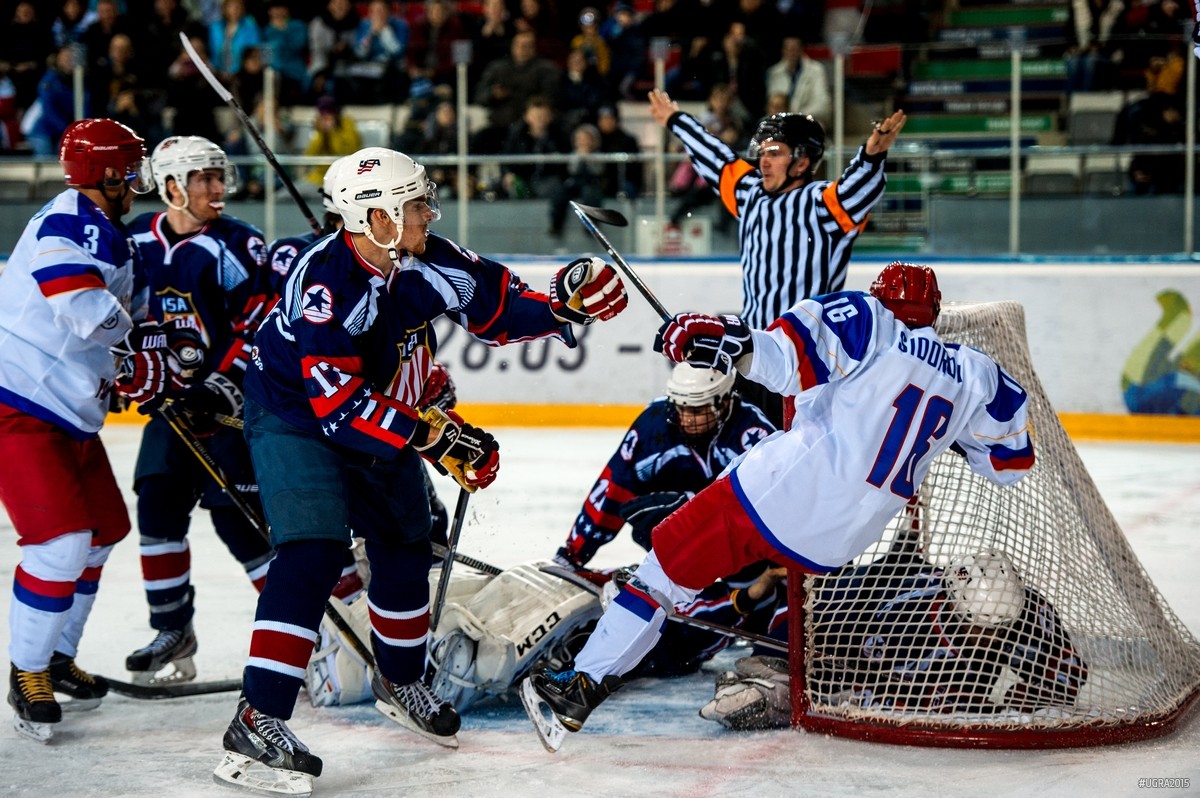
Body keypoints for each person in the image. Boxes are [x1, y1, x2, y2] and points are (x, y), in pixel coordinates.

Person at [212, 146, 629, 794]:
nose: (429, 212)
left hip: (370, 408)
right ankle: (256, 718)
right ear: (373, 217)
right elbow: (338, 408)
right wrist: (434, 436)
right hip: (296, 418)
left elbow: (495, 304)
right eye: (414, 204)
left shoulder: (425, 257)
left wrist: (563, 305)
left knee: (407, 544)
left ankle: (399, 679)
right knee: (312, 553)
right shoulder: (326, 287)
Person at [519, 262, 1037, 750]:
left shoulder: (867, 317)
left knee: (660, 574)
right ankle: (745, 638)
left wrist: (721, 338)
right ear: (934, 313)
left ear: (882, 298)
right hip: (845, 538)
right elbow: (1010, 463)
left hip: (783, 494)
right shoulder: (976, 373)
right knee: (745, 573)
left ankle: (582, 684)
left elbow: (778, 360)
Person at [0, 118, 160, 742]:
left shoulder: (113, 232)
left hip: (67, 412)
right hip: (21, 406)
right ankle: (27, 671)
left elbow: (132, 317)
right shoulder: (68, 222)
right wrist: (135, 354)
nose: (138, 179)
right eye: (131, 167)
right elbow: (82, 307)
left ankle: (56, 657)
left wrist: (152, 360)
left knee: (102, 532)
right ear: (107, 173)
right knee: (61, 542)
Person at [647, 88, 907, 428]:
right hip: (754, 356)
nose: (763, 161)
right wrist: (676, 120)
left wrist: (871, 156)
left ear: (802, 161)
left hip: (809, 362)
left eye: (775, 152)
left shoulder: (823, 205)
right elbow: (716, 159)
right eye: (762, 152)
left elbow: (860, 188)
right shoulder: (749, 195)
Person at [123, 135, 277, 686]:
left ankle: (311, 635)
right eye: (204, 178)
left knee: (243, 526)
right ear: (171, 186)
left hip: (227, 413)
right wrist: (130, 372)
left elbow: (260, 324)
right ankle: (173, 630)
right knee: (157, 508)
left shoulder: (239, 243)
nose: (217, 187)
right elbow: (116, 312)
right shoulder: (136, 238)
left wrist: (218, 386)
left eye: (219, 176)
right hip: (170, 408)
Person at [701, 549, 1088, 730]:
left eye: (998, 630)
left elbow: (1068, 673)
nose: (988, 638)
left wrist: (1031, 694)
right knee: (809, 690)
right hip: (822, 617)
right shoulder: (903, 622)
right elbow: (876, 694)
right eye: (978, 628)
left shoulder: (1024, 611)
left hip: (879, 601)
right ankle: (764, 683)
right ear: (953, 607)